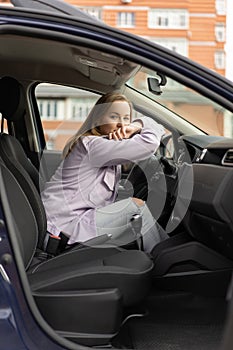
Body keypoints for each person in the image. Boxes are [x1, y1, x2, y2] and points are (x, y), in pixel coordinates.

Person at [41, 92, 168, 253]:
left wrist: (136, 125)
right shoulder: (94, 146)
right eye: (114, 117)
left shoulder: (106, 147)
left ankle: (167, 250)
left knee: (133, 209)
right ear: (98, 120)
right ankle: (162, 259)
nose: (122, 124)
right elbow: (149, 143)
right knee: (136, 206)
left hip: (70, 222)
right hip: (61, 229)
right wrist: (138, 126)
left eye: (126, 118)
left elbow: (158, 129)